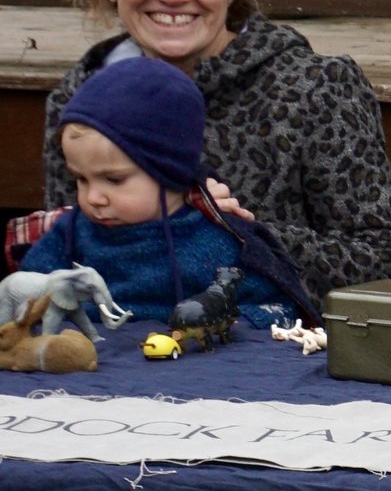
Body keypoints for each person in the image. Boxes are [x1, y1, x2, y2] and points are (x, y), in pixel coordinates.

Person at [41, 0, 391, 304]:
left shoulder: (316, 88)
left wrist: (235, 233)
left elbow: (382, 263)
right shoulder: (83, 94)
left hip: (275, 354)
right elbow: (69, 256)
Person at [19, 57, 316, 329]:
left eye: (114, 179)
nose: (93, 197)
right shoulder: (71, 233)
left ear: (169, 170)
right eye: (81, 180)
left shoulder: (215, 243)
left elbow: (277, 308)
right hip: (86, 367)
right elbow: (28, 292)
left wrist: (238, 329)